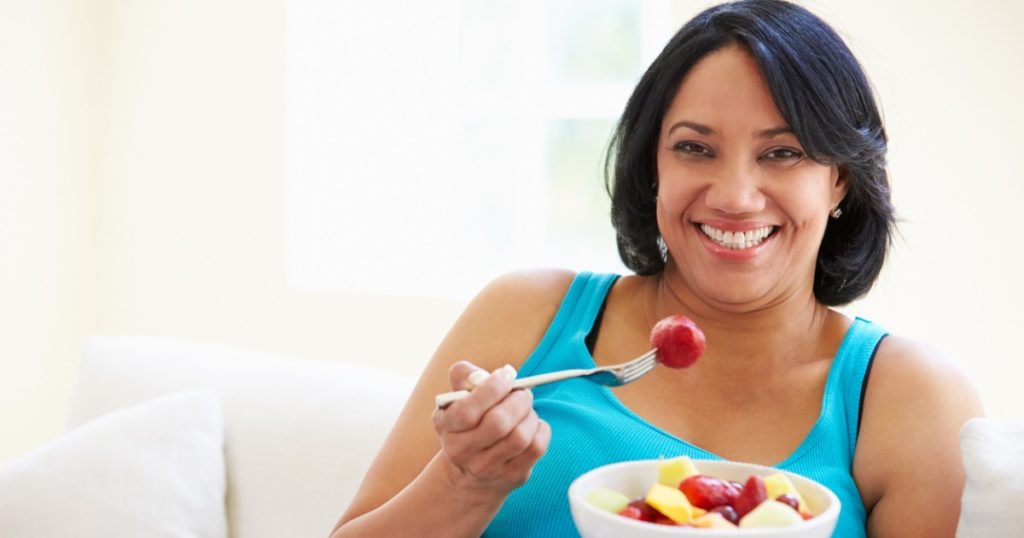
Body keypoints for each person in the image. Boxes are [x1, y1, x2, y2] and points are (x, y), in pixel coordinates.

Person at [331, 1, 982, 536]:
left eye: (782, 153)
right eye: (695, 148)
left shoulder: (910, 399)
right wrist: (465, 482)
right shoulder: (527, 315)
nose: (734, 194)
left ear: (840, 180)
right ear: (653, 169)